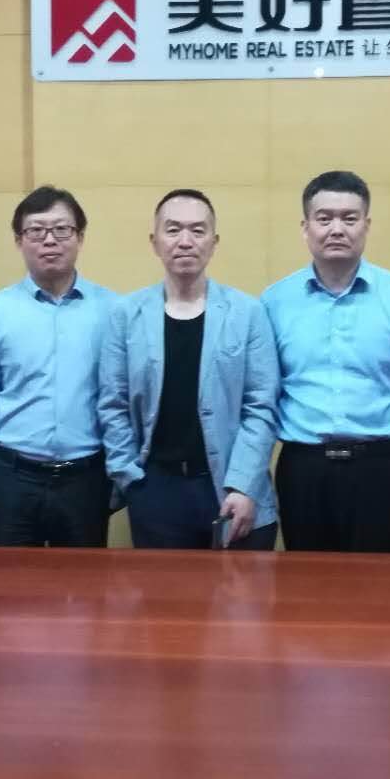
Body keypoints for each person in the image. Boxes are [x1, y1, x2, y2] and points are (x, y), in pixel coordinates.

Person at [261, 170, 390, 553]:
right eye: (324, 218)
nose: (337, 229)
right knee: (307, 583)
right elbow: (265, 388)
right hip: (303, 468)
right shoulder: (275, 301)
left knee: (379, 584)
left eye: (349, 218)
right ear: (306, 227)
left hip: (379, 469)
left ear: (366, 225)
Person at [99, 189, 280, 550]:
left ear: (214, 242)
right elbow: (112, 404)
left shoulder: (247, 313)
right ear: (154, 242)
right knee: (167, 588)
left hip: (232, 487)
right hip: (156, 488)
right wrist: (131, 478)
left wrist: (243, 485)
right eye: (173, 229)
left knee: (242, 588)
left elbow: (261, 406)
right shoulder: (126, 315)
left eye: (198, 230)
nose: (185, 241)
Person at [0, 187, 115, 547]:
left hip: (86, 478)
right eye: (36, 231)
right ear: (19, 241)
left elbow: (121, 400)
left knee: (83, 580)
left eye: (61, 229)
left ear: (80, 237)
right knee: (8, 580)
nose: (49, 240)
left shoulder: (112, 310)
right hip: (12, 477)